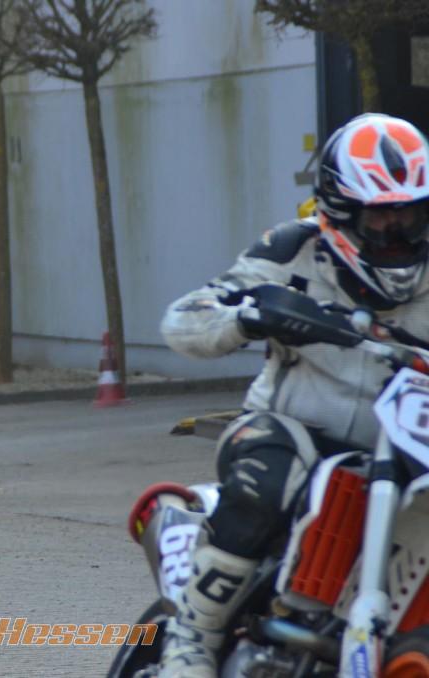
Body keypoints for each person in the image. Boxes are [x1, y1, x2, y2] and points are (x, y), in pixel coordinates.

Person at [157, 113, 429, 677]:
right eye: (380, 216)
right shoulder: (292, 251)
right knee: (272, 470)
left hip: (408, 450)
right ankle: (192, 637)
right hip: (291, 432)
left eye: (409, 214)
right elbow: (184, 319)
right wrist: (250, 316)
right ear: (339, 212)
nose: (397, 230)